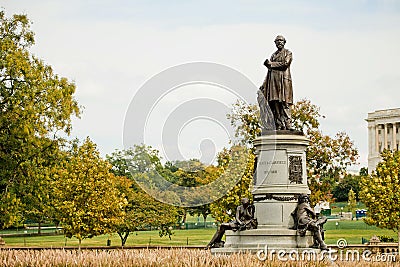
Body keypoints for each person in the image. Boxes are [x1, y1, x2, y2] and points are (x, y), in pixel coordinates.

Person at [260, 35, 293, 130]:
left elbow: (285, 64)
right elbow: (269, 71)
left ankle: (288, 123)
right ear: (275, 43)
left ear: (284, 42)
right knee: (275, 103)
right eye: (277, 41)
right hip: (273, 82)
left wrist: (271, 64)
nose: (279, 42)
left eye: (281, 40)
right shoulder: (273, 55)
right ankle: (278, 123)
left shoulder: (288, 53)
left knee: (284, 102)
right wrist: (264, 84)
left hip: (284, 81)